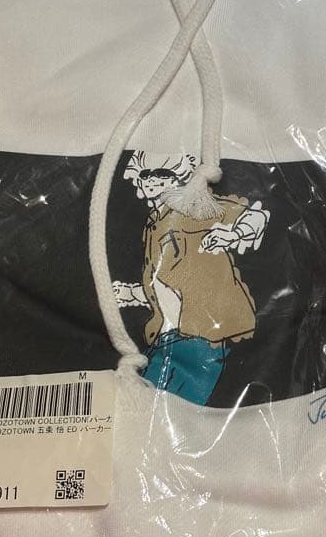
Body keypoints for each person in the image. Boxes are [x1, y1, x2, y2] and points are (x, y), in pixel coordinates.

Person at [113, 151, 269, 404]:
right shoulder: (154, 223)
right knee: (153, 409)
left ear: (179, 178)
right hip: (167, 337)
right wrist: (133, 294)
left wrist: (234, 234)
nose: (152, 180)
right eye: (145, 174)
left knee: (164, 410)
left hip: (199, 336)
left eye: (162, 174)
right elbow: (167, 282)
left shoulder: (193, 209)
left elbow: (254, 216)